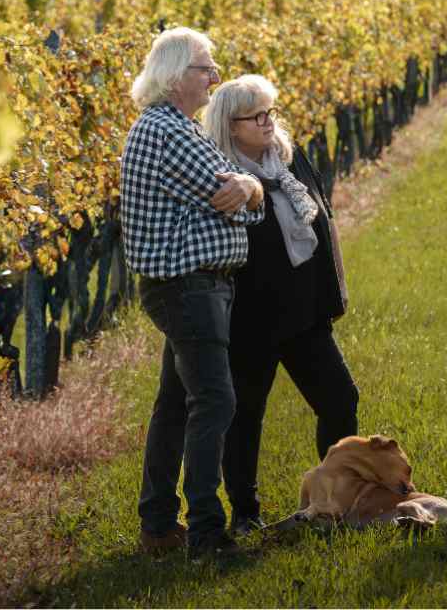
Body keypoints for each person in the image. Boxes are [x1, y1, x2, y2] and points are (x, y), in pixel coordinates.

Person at [120, 27, 265, 561]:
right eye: (207, 67)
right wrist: (250, 189)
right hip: (188, 287)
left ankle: (158, 523)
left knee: (176, 404)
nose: (215, 77)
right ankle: (207, 534)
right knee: (215, 399)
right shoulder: (169, 131)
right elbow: (234, 195)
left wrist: (249, 188)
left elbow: (245, 191)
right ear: (176, 75)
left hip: (186, 286)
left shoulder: (172, 126)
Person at [203, 75, 358, 535]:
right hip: (249, 317)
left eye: (271, 112)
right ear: (230, 126)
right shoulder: (222, 177)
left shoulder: (288, 161)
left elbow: (324, 219)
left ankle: (333, 499)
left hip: (304, 313)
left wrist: (336, 290)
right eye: (256, 116)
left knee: (340, 399)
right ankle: (246, 513)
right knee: (246, 415)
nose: (268, 123)